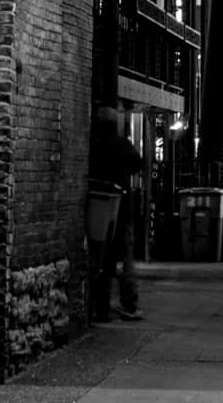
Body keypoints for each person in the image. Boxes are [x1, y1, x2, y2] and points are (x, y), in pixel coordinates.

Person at [88, 105, 144, 322]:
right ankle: (129, 304)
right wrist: (123, 174)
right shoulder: (121, 144)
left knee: (100, 256)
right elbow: (139, 162)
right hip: (121, 206)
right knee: (125, 256)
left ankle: (100, 307)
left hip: (97, 208)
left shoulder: (94, 145)